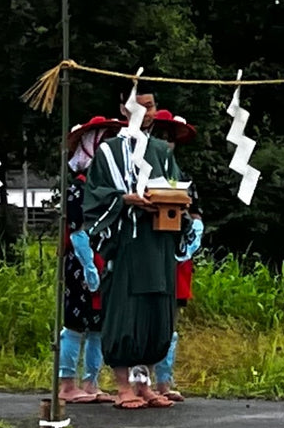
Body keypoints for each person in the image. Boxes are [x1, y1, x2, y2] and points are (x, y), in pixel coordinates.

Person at [83, 93, 187, 410]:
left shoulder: (160, 150)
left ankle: (145, 384)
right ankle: (122, 386)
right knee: (126, 312)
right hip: (126, 241)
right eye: (139, 105)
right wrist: (125, 199)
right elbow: (96, 194)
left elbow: (177, 186)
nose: (146, 111)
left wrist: (178, 201)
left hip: (158, 241)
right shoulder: (108, 151)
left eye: (151, 105)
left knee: (157, 311)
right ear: (123, 109)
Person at [59, 115, 122, 404]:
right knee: (75, 323)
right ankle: (66, 384)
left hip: (105, 257)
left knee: (98, 325)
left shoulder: (108, 189)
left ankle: (91, 381)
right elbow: (76, 229)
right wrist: (87, 265)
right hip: (81, 261)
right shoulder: (78, 188)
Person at [149, 111, 204, 402]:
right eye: (160, 137)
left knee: (171, 321)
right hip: (148, 253)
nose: (166, 144)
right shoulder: (138, 173)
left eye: (170, 139)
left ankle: (164, 381)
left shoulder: (183, 177)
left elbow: (195, 214)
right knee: (146, 317)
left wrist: (190, 234)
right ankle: (141, 382)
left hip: (178, 256)